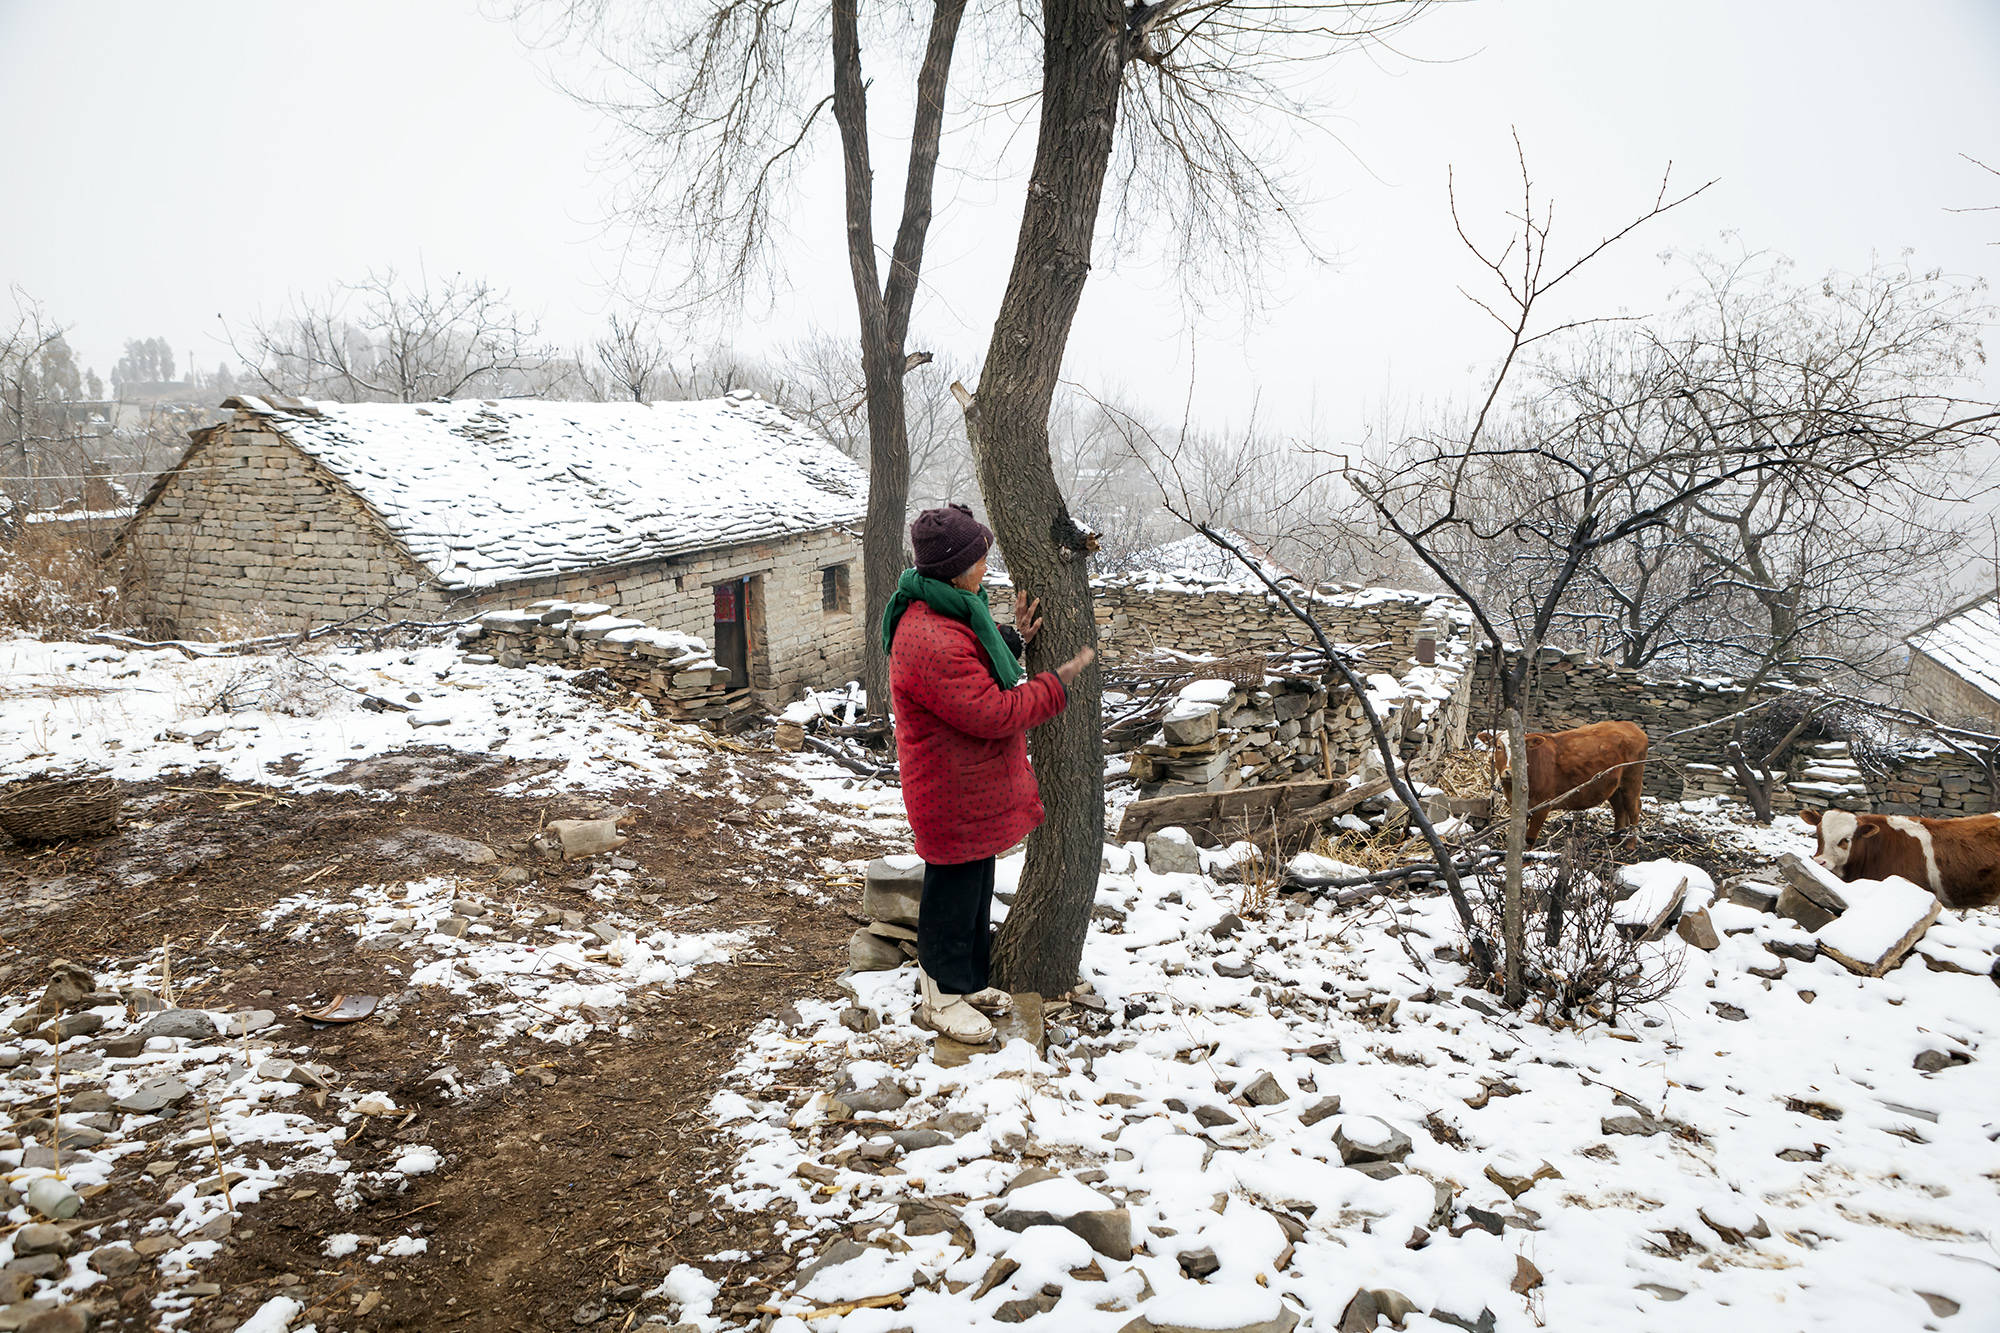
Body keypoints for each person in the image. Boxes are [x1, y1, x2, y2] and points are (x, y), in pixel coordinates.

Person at [881, 503, 1095, 1044]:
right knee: (952, 893)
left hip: (966, 784)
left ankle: (966, 982)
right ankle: (941, 997)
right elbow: (993, 712)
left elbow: (974, 648)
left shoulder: (948, 607)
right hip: (948, 788)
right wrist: (1055, 684)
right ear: (956, 566)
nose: (986, 565)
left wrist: (1012, 639)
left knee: (974, 885)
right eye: (979, 556)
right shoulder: (929, 636)